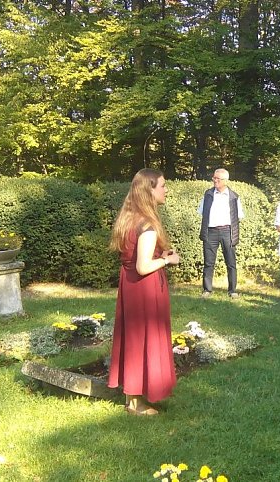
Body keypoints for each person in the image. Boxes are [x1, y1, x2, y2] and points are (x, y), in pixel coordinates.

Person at [108, 168, 181, 416]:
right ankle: (136, 404)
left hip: (130, 286)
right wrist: (167, 261)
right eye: (162, 185)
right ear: (149, 190)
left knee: (134, 339)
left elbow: (134, 257)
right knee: (144, 339)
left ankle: (132, 398)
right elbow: (143, 266)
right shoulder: (147, 225)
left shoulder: (130, 218)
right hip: (144, 288)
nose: (166, 190)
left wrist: (157, 255)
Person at [198, 168, 244, 298]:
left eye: (218, 179)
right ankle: (207, 290)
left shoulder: (234, 196)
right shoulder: (208, 194)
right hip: (210, 231)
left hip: (227, 232)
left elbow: (238, 216)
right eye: (214, 178)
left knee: (231, 262)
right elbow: (202, 212)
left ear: (225, 180)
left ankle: (232, 290)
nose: (215, 180)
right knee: (208, 263)